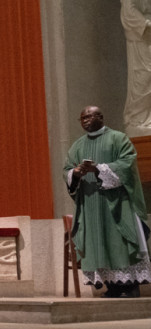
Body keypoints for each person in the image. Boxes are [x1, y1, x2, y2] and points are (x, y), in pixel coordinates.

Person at [64, 106, 151, 297]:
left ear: (100, 117)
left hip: (118, 203)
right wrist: (75, 173)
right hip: (91, 204)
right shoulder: (77, 146)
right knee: (98, 244)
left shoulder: (118, 138)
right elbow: (67, 170)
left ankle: (130, 287)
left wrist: (99, 169)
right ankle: (112, 286)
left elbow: (127, 165)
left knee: (120, 243)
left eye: (89, 116)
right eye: (83, 118)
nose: (86, 120)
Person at [121, 0, 151, 137]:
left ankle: (146, 118)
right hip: (139, 40)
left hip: (148, 39)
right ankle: (136, 118)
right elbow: (129, 12)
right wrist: (146, 22)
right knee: (142, 76)